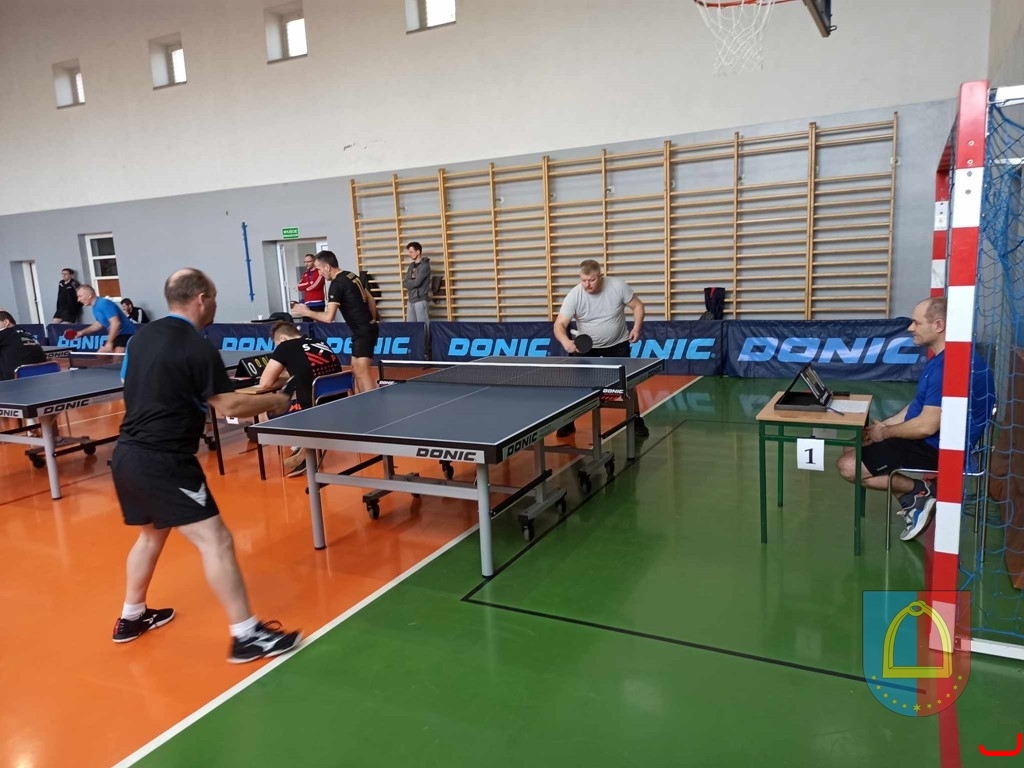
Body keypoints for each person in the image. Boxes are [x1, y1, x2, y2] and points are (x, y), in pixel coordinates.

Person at [110, 267, 302, 663]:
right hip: (165, 460)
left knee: (151, 536)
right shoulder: (197, 347)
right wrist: (275, 400)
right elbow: (229, 405)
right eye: (213, 296)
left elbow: (138, 384)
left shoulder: (141, 338)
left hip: (127, 455)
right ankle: (246, 635)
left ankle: (131, 617)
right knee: (217, 540)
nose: (215, 303)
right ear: (201, 299)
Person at [836, 297, 995, 542]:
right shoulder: (942, 358)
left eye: (916, 323)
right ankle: (914, 499)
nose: (911, 328)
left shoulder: (949, 366)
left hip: (940, 448)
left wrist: (885, 434)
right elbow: (917, 406)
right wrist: (885, 425)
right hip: (932, 439)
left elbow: (926, 426)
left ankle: (920, 492)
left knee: (849, 466)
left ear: (938, 325)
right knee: (853, 444)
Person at [552, 259, 649, 438]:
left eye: (592, 280)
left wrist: (636, 328)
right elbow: (559, 324)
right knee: (575, 384)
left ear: (601, 276)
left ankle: (635, 419)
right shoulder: (575, 295)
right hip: (587, 348)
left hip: (618, 344)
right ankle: (569, 421)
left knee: (628, 383)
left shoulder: (617, 286)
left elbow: (637, 306)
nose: (587, 284)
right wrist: (565, 341)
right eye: (583, 280)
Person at [259, 320, 344, 477]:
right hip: (339, 405)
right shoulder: (319, 342)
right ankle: (304, 447)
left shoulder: (285, 347)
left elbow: (264, 383)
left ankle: (304, 450)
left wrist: (286, 378)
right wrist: (293, 376)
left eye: (277, 344)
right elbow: (309, 372)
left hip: (312, 412)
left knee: (265, 414)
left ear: (282, 339)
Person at [290, 250, 379, 394]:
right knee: (355, 368)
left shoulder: (336, 284)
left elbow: (328, 317)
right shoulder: (351, 275)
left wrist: (307, 312)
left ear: (327, 267)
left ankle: (372, 401)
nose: (319, 273)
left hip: (363, 331)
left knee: (362, 372)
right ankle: (361, 400)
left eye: (319, 269)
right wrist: (372, 320)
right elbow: (371, 300)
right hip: (363, 330)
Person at [66, 285, 137, 352]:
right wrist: (81, 332)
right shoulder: (95, 308)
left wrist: (109, 342)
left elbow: (116, 323)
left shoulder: (104, 303)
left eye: (80, 296)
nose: (78, 300)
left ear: (89, 295)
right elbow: (99, 324)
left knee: (117, 357)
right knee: (100, 356)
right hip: (117, 335)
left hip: (127, 334)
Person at [0, 311, 47, 380]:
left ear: (6, 322)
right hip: (40, 378)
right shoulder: (27, 333)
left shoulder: (4, 333)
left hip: (12, 381)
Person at [403, 242, 431, 326]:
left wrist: (409, 283)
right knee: (411, 326)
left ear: (418, 252)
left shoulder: (425, 266)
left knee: (423, 326)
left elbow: (417, 283)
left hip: (420, 300)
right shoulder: (411, 266)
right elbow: (405, 282)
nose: (409, 254)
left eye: (411, 252)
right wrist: (409, 282)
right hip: (411, 300)